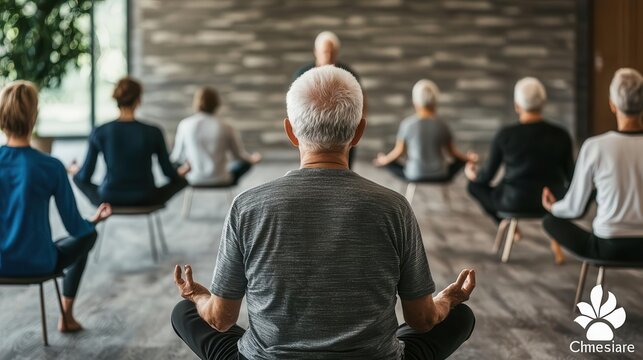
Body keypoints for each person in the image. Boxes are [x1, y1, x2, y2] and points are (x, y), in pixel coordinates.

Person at [171, 66, 476, 360]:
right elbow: (422, 319)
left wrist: (198, 295)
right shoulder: (394, 208)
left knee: (183, 312)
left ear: (290, 131)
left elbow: (221, 320)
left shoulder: (246, 206)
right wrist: (449, 299)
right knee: (460, 317)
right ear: (358, 132)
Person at [0, 81, 112, 332]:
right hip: (39, 263)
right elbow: (76, 229)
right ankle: (67, 316)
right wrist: (93, 220)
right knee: (89, 234)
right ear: (34, 117)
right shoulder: (51, 166)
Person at [465, 77, 574, 261]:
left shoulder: (505, 135)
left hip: (513, 202)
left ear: (517, 105)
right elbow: (572, 177)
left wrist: (472, 173)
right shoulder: (561, 135)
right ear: (543, 103)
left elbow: (485, 178)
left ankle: (508, 224)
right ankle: (555, 237)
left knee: (473, 186)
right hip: (552, 201)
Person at [542, 68, 643, 262]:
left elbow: (575, 209)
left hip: (607, 247)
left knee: (549, 221)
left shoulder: (595, 146)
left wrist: (553, 207)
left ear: (612, 105)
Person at [73, 77, 189, 206]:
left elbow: (85, 176)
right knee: (183, 181)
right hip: (147, 198)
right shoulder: (153, 131)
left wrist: (75, 171)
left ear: (116, 99)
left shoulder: (99, 131)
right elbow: (168, 173)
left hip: (109, 198)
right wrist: (181, 172)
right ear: (138, 100)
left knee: (77, 178)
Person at [374, 79, 477, 181]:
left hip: (414, 175)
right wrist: (468, 158)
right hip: (440, 175)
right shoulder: (442, 125)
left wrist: (384, 160)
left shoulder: (407, 124)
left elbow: (399, 152)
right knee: (461, 161)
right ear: (435, 102)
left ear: (415, 102)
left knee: (389, 162)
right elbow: (452, 153)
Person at [292, 31, 364, 168]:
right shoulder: (302, 74)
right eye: (325, 52)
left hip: (344, 127)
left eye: (332, 52)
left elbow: (362, 101)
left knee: (346, 167)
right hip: (309, 129)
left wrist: (357, 123)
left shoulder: (349, 74)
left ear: (337, 52)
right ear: (316, 52)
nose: (329, 56)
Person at [170, 87, 261, 186]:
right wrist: (253, 159)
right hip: (223, 180)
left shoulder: (184, 124)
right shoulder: (227, 126)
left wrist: (185, 166)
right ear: (217, 104)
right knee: (245, 163)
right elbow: (238, 156)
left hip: (192, 180)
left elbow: (176, 157)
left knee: (173, 164)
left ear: (196, 103)